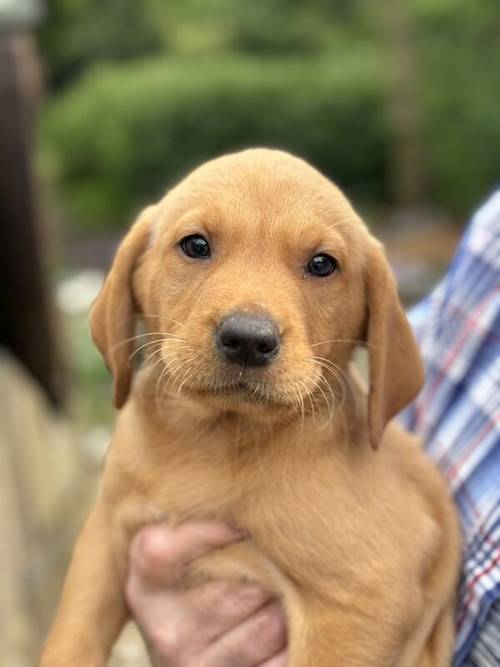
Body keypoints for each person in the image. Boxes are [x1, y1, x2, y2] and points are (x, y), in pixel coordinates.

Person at [126, 192, 500, 667]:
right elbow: (397, 368)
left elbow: (377, 585)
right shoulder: (493, 232)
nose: (250, 326)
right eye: (197, 247)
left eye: (320, 264)